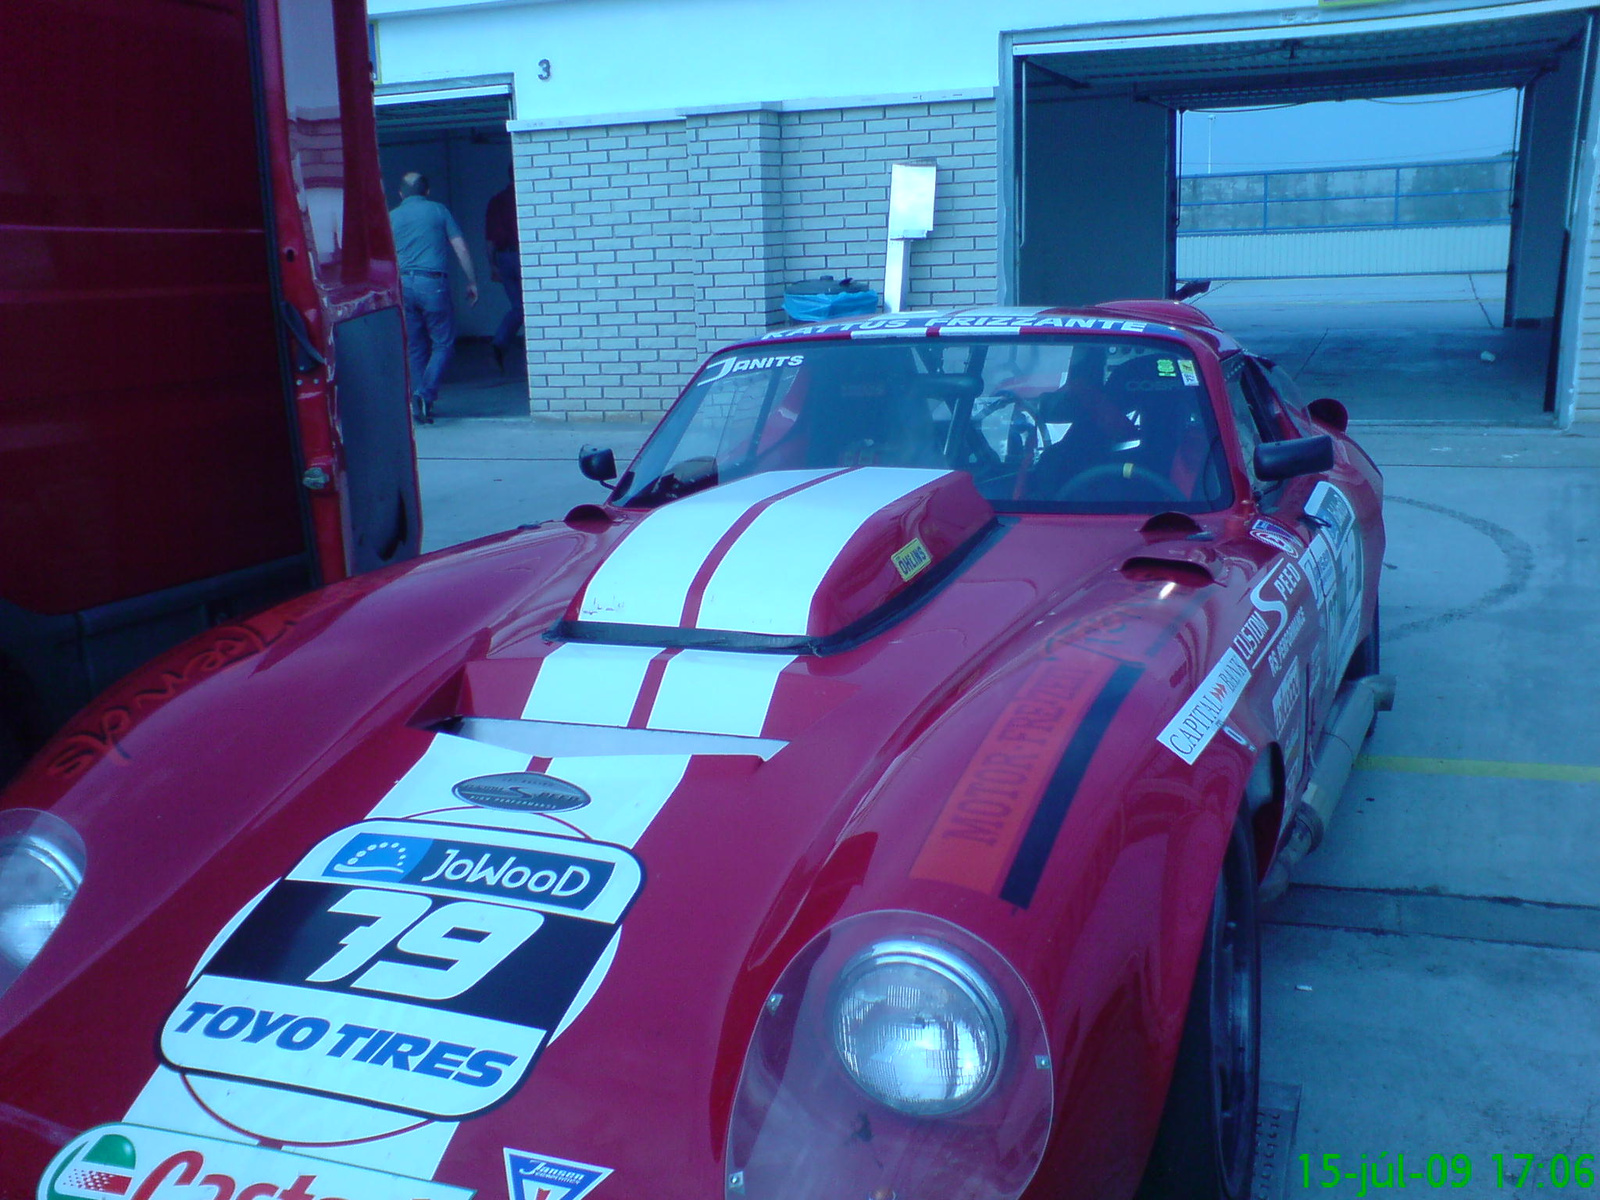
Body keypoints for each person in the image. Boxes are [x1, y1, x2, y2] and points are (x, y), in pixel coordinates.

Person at [389, 172, 477, 424]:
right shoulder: (439, 211)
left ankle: (420, 405)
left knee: (415, 346)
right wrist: (471, 281)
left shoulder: (391, 217)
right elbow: (460, 246)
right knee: (443, 342)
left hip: (403, 284)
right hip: (432, 283)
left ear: (401, 194)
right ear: (427, 192)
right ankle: (424, 393)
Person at [485, 165, 524, 372]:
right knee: (528, 308)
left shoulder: (496, 201)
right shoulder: (526, 197)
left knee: (519, 306)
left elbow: (490, 238)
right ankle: (499, 344)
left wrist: (492, 265)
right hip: (524, 256)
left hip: (504, 257)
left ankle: (500, 344)